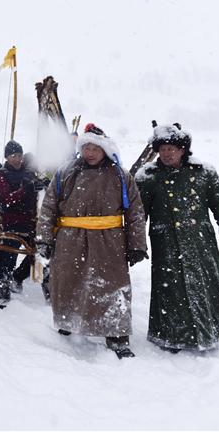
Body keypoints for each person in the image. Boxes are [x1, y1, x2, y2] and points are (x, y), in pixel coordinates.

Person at [35, 123, 148, 358]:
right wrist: (44, 238)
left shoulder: (120, 175)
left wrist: (137, 244)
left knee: (112, 286)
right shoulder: (65, 172)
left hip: (110, 241)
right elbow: (48, 207)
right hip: (70, 239)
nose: (90, 153)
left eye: (95, 149)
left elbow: (135, 212)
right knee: (69, 282)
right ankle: (69, 322)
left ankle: (116, 334)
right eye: (86, 148)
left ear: (104, 149)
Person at [135, 123, 219, 353]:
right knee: (171, 292)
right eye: (162, 149)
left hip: (201, 244)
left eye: (171, 149)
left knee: (210, 287)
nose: (166, 154)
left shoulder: (204, 172)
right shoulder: (147, 177)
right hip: (166, 245)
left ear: (183, 149)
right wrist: (134, 247)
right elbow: (137, 216)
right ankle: (173, 337)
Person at [0, 140, 40, 307]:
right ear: (6, 157)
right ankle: (4, 290)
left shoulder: (29, 173)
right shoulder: (1, 175)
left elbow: (36, 196)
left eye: (19, 155)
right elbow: (6, 200)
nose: (17, 159)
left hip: (31, 221)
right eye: (13, 156)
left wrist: (39, 187)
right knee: (8, 257)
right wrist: (24, 190)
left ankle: (18, 277)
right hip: (11, 221)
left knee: (37, 253)